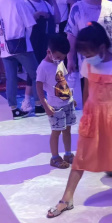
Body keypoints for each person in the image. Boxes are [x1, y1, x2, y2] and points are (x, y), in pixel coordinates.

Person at [47, 22, 112, 217]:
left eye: (88, 53)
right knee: (82, 155)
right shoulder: (87, 64)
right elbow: (86, 89)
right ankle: (67, 198)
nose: (86, 57)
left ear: (101, 47)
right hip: (93, 115)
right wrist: (85, 112)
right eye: (83, 54)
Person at [0, 0, 44, 119]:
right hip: (22, 45)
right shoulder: (20, 3)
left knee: (11, 78)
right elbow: (30, 25)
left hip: (5, 46)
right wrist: (26, 38)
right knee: (36, 75)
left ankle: (14, 109)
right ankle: (39, 105)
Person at [36, 34, 76, 169]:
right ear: (49, 52)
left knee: (67, 130)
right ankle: (54, 157)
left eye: (63, 57)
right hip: (55, 106)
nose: (60, 59)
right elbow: (39, 87)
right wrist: (45, 105)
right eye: (58, 56)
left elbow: (63, 81)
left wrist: (71, 97)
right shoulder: (43, 67)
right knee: (56, 131)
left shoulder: (59, 63)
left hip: (67, 103)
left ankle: (68, 154)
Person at [26, 0, 60, 64]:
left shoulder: (46, 4)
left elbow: (57, 20)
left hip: (48, 42)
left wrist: (54, 1)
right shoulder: (25, 4)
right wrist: (37, 15)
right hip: (34, 43)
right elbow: (24, 23)